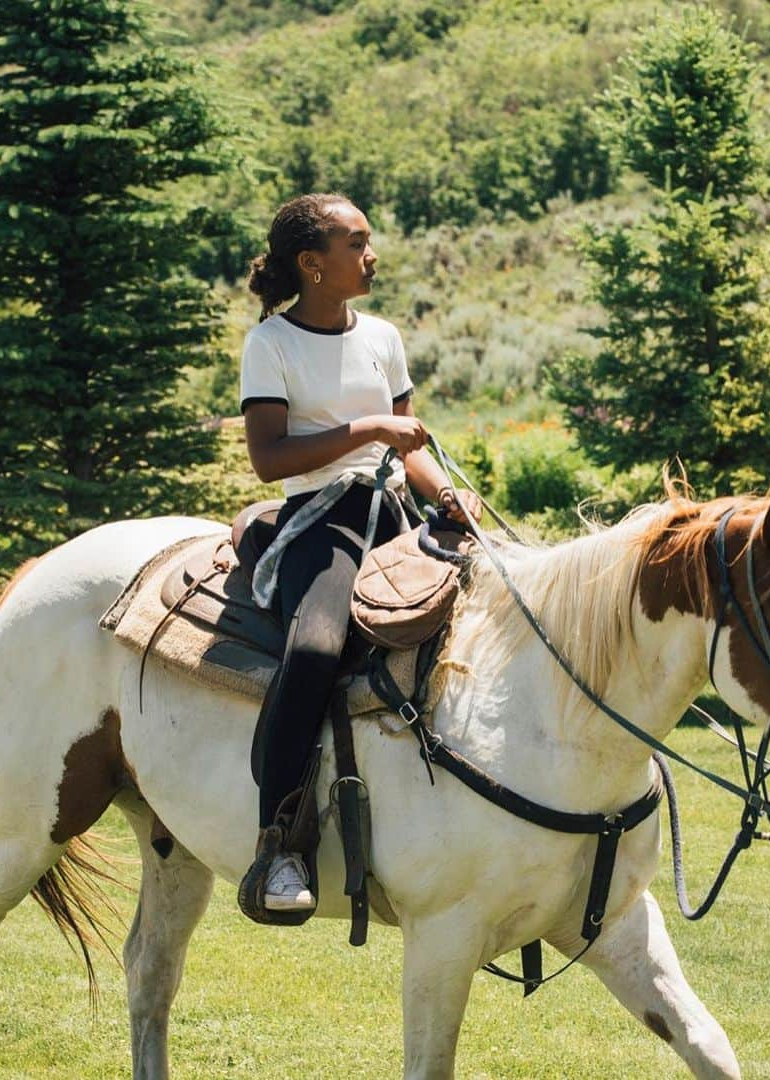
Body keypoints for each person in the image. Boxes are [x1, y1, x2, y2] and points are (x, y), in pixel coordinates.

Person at [239, 192, 481, 913]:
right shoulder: (271, 344)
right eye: (356, 243)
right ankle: (279, 846)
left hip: (399, 513)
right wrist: (366, 428)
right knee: (314, 652)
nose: (371, 254)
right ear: (313, 264)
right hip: (322, 518)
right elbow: (269, 459)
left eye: (368, 240)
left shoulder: (382, 335)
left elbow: (410, 450)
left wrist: (447, 497)